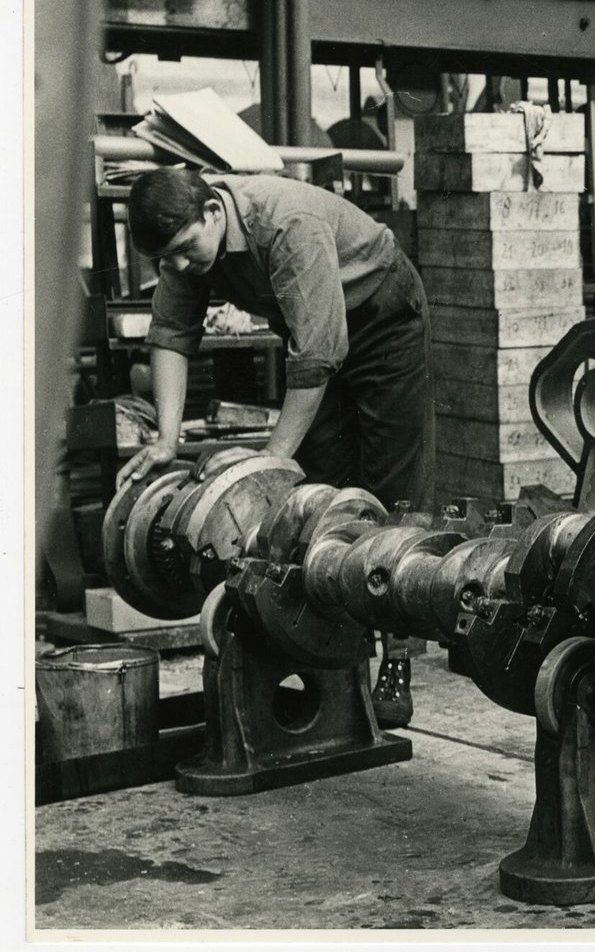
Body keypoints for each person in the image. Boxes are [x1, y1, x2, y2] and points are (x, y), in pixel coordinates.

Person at [116, 165, 434, 725]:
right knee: (318, 496)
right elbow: (170, 335)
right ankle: (341, 655)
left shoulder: (286, 225)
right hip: (315, 331)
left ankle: (398, 654)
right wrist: (167, 440)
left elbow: (316, 360)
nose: (180, 267)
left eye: (187, 251)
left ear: (212, 212)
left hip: (382, 316)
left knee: (391, 488)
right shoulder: (184, 246)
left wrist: (268, 461)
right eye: (167, 259)